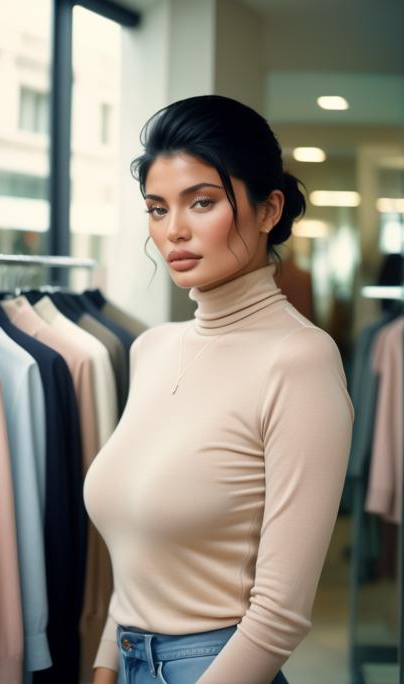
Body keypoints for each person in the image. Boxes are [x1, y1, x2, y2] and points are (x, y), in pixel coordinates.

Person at [84, 95, 354, 684]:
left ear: (267, 210)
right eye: (157, 209)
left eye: (201, 202)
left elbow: (280, 615)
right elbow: (139, 551)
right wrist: (107, 665)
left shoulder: (300, 360)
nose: (174, 230)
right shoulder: (151, 349)